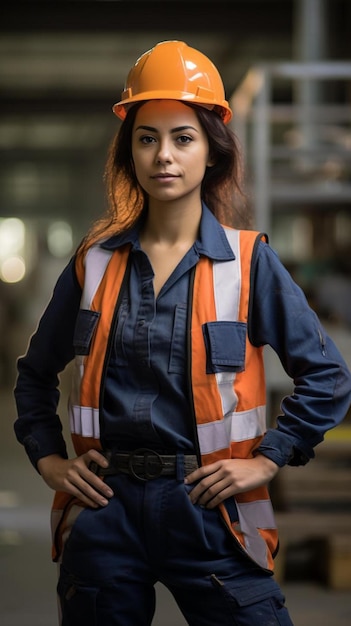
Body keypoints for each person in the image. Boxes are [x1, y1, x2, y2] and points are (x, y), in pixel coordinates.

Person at [14, 40, 351, 626]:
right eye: (147, 138)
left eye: (182, 138)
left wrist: (268, 460)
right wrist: (49, 461)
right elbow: (33, 374)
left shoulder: (249, 264)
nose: (163, 155)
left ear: (212, 154)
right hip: (106, 508)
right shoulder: (93, 263)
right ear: (129, 152)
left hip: (210, 508)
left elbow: (328, 376)